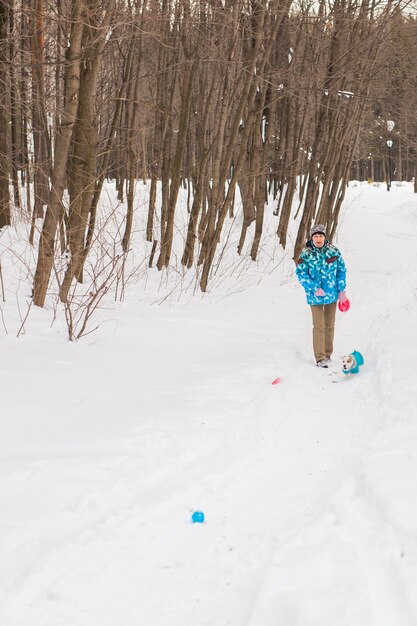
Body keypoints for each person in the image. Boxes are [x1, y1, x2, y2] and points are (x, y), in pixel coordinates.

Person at [296, 224, 348, 368]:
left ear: (325, 237)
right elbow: (301, 274)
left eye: (320, 236)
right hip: (315, 296)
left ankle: (328, 353)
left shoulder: (334, 251)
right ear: (312, 237)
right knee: (319, 325)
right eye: (315, 236)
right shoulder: (305, 254)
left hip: (332, 294)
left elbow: (341, 271)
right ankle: (320, 358)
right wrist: (313, 288)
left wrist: (342, 291)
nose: (318, 239)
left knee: (329, 325)